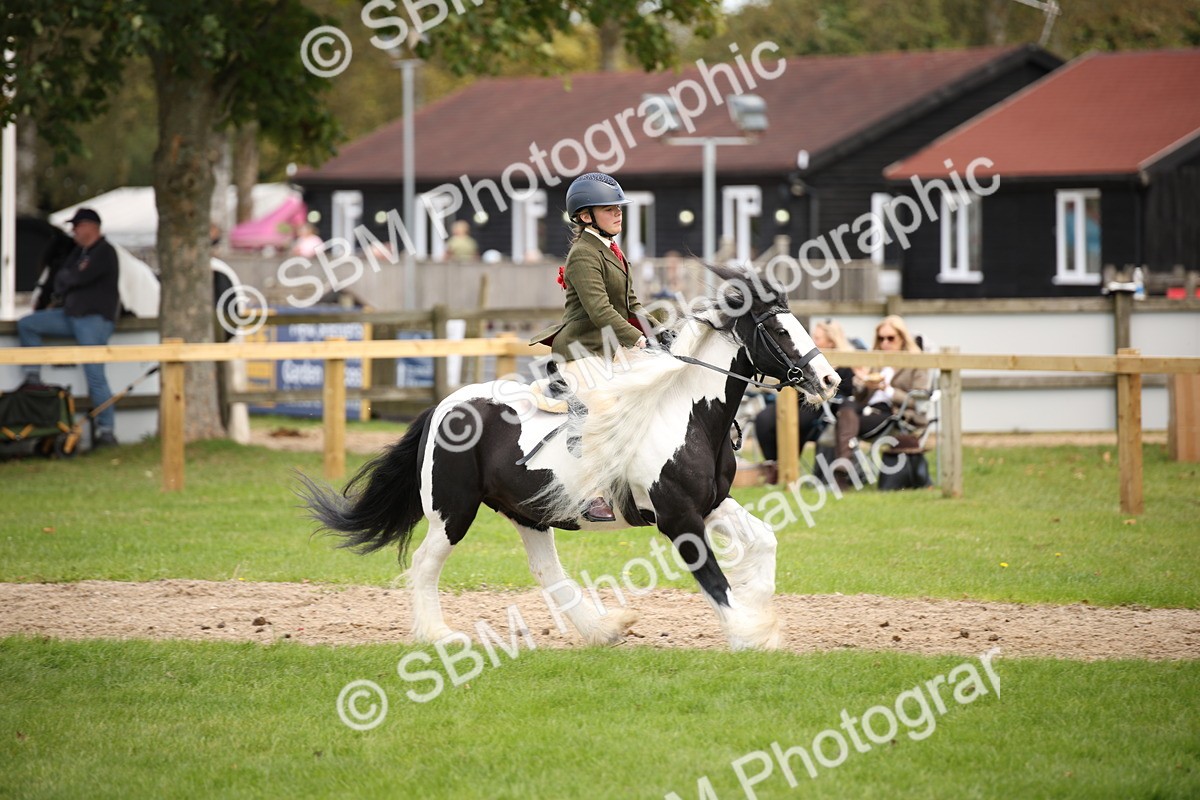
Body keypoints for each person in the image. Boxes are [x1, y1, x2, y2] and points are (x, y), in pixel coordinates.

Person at [530, 172, 666, 521]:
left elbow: (631, 304)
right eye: (610, 209)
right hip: (580, 351)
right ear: (586, 216)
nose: (618, 214)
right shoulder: (583, 254)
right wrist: (636, 337)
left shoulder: (613, 250)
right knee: (605, 406)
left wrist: (658, 331)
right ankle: (592, 494)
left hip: (611, 347)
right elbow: (600, 310)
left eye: (619, 208)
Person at [17, 208, 121, 448]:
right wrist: (69, 277)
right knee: (28, 324)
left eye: (77, 226)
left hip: (93, 320)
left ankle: (106, 431)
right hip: (71, 316)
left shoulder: (105, 252)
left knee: (95, 376)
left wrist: (70, 277)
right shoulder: (79, 253)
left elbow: (73, 279)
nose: (74, 230)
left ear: (91, 227)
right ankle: (33, 377)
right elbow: (61, 279)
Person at [832, 314, 931, 486]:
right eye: (881, 338)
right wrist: (861, 381)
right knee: (846, 405)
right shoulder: (877, 359)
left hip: (893, 414)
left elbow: (919, 401)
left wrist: (888, 390)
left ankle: (843, 473)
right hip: (866, 411)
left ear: (902, 338)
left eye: (890, 338)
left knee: (842, 423)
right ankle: (844, 466)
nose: (885, 342)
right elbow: (860, 397)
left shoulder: (917, 362)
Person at [753, 319, 855, 484]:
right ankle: (774, 466)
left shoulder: (845, 364)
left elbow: (847, 391)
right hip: (793, 401)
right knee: (763, 419)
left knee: (795, 423)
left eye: (818, 338)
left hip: (821, 407)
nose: (813, 341)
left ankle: (789, 469)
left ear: (831, 340)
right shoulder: (806, 358)